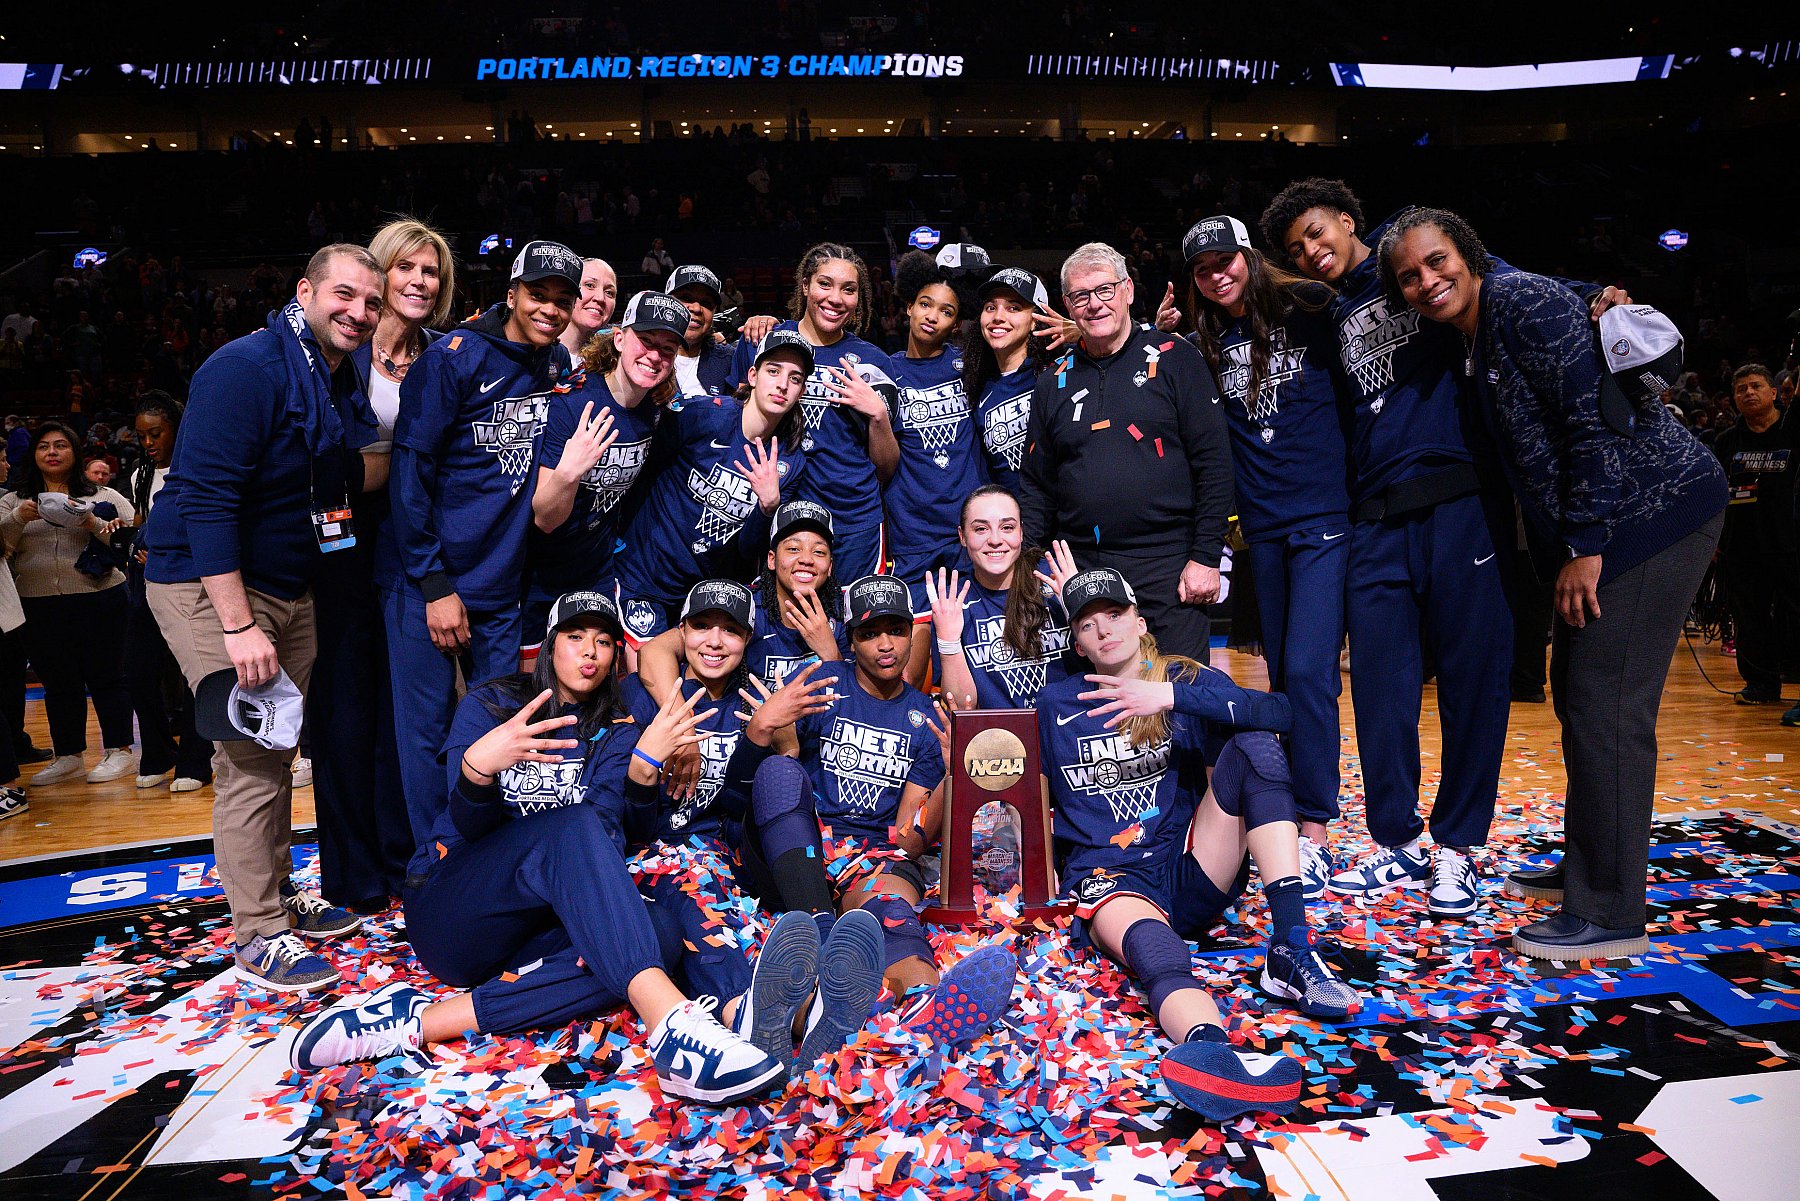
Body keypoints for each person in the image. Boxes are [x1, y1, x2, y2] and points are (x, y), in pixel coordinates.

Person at [1256, 179, 1622, 916]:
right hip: (1374, 518)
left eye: (1318, 233)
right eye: (1296, 248)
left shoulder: (1410, 253)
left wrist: (1591, 291)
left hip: (1462, 502)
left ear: (1350, 221)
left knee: (1471, 685)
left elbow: (1498, 276)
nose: (1311, 252)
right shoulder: (1322, 311)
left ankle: (1457, 850)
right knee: (1382, 692)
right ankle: (1396, 845)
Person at [290, 592, 811, 1105]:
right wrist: (477, 771)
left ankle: (413, 1022)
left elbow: (609, 836)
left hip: (533, 931)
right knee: (572, 828)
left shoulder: (616, 729)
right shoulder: (493, 705)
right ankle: (673, 1030)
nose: (590, 651)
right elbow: (466, 826)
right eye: (575, 637)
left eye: (605, 642)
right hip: (456, 910)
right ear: (549, 645)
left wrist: (641, 768)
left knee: (660, 932)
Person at [1381, 208, 1727, 960]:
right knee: (1580, 694)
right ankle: (1592, 865)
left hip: (1654, 517)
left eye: (1436, 262)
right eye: (1409, 275)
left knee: (1607, 705)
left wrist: (1585, 545)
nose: (1426, 281)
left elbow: (1593, 421)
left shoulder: (1519, 302)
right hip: (1617, 524)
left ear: (1469, 255)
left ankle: (1609, 911)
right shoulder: (1482, 323)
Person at [142, 244, 386, 991]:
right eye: (345, 295)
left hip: (288, 585)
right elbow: (205, 501)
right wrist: (239, 623)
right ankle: (258, 931)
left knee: (279, 748)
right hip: (211, 587)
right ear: (305, 290)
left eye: (372, 303)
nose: (360, 312)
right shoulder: (244, 368)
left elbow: (340, 473)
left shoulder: (334, 373)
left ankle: (276, 893)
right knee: (249, 754)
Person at [1037, 568, 1357, 1120]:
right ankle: (1210, 1051)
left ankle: (1292, 949)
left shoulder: (1180, 679)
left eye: (1114, 616)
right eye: (1087, 626)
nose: (1103, 632)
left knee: (1255, 745)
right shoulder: (1055, 702)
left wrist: (1167, 696)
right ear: (1076, 644)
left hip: (1188, 864)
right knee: (1153, 948)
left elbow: (1282, 713)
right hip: (1111, 879)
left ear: (1139, 621)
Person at [599, 579, 892, 1064]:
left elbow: (739, 804)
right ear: (682, 632)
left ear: (747, 642)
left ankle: (819, 953)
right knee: (697, 893)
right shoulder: (642, 694)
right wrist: (654, 754)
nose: (715, 641)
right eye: (702, 627)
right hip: (664, 852)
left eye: (731, 631)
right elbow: (629, 819)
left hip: (731, 851)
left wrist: (763, 733)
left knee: (776, 781)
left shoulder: (753, 696)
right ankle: (752, 1014)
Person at [736, 575, 1017, 1040]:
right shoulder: (821, 683)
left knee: (890, 908)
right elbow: (779, 779)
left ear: (912, 633)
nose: (885, 645)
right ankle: (822, 940)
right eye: (869, 633)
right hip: (796, 851)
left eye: (896, 630)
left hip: (869, 858)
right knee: (780, 775)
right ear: (850, 640)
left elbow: (907, 838)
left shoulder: (927, 716)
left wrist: (952, 778)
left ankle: (927, 1008)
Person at [382, 240, 582, 846]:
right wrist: (434, 583)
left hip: (500, 585)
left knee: (499, 729)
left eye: (561, 300)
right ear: (512, 293)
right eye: (537, 295)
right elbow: (410, 478)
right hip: (430, 582)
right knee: (426, 732)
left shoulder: (552, 367)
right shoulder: (452, 358)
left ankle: (483, 852)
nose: (549, 309)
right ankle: (431, 861)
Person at [1179, 215, 1352, 899]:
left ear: (1248, 256)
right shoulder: (1206, 342)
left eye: (1226, 260)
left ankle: (1314, 831)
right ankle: (1286, 816)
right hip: (1263, 528)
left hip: (1324, 515)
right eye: (1203, 267)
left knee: (1310, 672)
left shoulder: (1311, 306)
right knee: (1284, 676)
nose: (1218, 273)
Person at [312, 218, 456, 911]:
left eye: (431, 272)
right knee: (347, 712)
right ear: (381, 277)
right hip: (339, 546)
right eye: (407, 269)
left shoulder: (445, 354)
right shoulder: (341, 351)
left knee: (408, 720)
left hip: (413, 547)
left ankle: (409, 861)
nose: (419, 282)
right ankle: (354, 873)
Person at [1020, 242, 1233, 660]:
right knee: (1100, 710)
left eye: (1105, 290)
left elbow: (1215, 464)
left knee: (1181, 702)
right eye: (1081, 296)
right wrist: (1026, 568)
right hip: (1084, 568)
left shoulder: (1177, 359)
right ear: (1067, 304)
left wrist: (1206, 557)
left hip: (1170, 566)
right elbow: (1037, 486)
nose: (1094, 305)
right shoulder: (1052, 382)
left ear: (1129, 291)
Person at [613, 328, 819, 650]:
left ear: (801, 390)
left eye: (794, 378)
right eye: (774, 371)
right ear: (752, 375)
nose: (782, 384)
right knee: (648, 680)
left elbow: (748, 552)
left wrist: (768, 507)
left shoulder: (791, 461)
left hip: (703, 596)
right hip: (646, 577)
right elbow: (643, 471)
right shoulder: (703, 415)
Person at [525, 291, 686, 656]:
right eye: (645, 341)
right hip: (538, 577)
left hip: (597, 571)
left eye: (668, 349)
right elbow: (545, 519)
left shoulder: (656, 409)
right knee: (533, 691)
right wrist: (569, 472)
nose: (655, 356)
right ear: (618, 338)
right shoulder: (572, 403)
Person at [725, 243, 898, 580]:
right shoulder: (764, 341)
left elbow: (887, 466)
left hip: (854, 519)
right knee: (786, 622)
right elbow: (733, 423)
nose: (835, 298)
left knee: (856, 625)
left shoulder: (875, 362)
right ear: (805, 286)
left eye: (849, 290)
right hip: (781, 512)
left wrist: (877, 415)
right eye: (824, 284)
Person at [0, 422, 138, 786]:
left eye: (61, 445)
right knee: (58, 681)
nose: (52, 452)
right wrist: (17, 519)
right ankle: (68, 755)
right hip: (37, 600)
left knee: (107, 674)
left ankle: (119, 750)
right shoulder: (13, 500)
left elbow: (129, 543)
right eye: (44, 446)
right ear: (34, 455)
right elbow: (2, 548)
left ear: (75, 453)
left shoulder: (102, 493)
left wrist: (91, 520)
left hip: (100, 596)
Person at [639, 499, 847, 697]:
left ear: (829, 567)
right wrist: (679, 719)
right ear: (772, 560)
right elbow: (654, 651)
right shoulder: (741, 603)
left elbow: (858, 702)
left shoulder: (842, 612)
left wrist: (830, 653)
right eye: (793, 549)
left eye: (819, 552)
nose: (806, 559)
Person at [884, 252, 985, 620]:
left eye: (946, 311)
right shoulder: (885, 370)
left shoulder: (971, 365)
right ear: (909, 306)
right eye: (925, 304)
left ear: (957, 323)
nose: (932, 316)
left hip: (968, 530)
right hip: (912, 530)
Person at [916, 485, 1078, 708]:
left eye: (1007, 527)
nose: (995, 539)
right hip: (999, 738)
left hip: (1068, 730)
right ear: (962, 536)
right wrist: (949, 641)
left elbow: (1104, 661)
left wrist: (1078, 609)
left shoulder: (1053, 577)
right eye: (981, 529)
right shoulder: (954, 603)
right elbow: (963, 707)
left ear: (1021, 532)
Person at [123, 393, 212, 793]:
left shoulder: (202, 463)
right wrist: (136, 544)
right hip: (150, 582)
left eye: (155, 433)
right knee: (139, 670)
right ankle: (157, 754)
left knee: (197, 673)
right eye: (141, 436)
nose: (148, 443)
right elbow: (143, 524)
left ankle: (196, 761)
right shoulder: (141, 474)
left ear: (178, 427)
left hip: (195, 581)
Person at [1711, 364, 1798, 709]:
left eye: (1756, 386)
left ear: (1774, 393)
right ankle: (1761, 684)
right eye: (1741, 389)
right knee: (1749, 616)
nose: (1748, 393)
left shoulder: (1793, 432)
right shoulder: (1726, 442)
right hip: (1741, 544)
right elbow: (1714, 495)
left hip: (1790, 541)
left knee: (1795, 613)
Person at [963, 268, 1054, 497]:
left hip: (1063, 523)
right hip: (1013, 524)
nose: (998, 317)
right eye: (990, 307)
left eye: (1014, 307)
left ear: (1035, 320)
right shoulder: (980, 389)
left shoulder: (1056, 372)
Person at [667, 264, 737, 397]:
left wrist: (765, 323)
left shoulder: (728, 360)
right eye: (686, 298)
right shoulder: (642, 355)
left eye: (706, 303)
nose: (697, 308)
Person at [559, 258, 618, 360]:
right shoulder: (536, 353)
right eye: (589, 285)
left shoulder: (611, 366)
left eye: (609, 292)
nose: (600, 298)